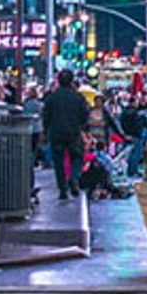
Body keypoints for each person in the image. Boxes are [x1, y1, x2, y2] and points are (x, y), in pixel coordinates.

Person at [41, 69, 90, 202]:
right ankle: (73, 178)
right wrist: (83, 126)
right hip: (73, 132)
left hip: (56, 132)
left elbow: (46, 116)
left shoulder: (52, 97)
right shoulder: (78, 97)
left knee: (58, 161)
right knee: (77, 156)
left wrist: (45, 131)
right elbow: (85, 115)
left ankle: (62, 189)